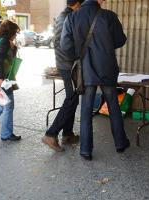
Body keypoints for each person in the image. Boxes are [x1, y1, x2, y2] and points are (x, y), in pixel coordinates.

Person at [61, 0, 130, 160]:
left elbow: (65, 45)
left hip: (86, 69)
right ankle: (120, 144)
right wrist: (105, 44)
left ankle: (86, 150)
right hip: (107, 66)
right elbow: (121, 40)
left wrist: (78, 56)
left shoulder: (72, 17)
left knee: (86, 109)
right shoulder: (109, 16)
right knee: (113, 105)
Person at [42, 0, 84, 152]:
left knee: (73, 99)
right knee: (71, 99)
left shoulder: (66, 16)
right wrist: (76, 57)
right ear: (77, 4)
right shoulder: (67, 18)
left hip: (67, 64)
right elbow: (62, 44)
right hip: (68, 65)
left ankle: (67, 134)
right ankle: (51, 134)